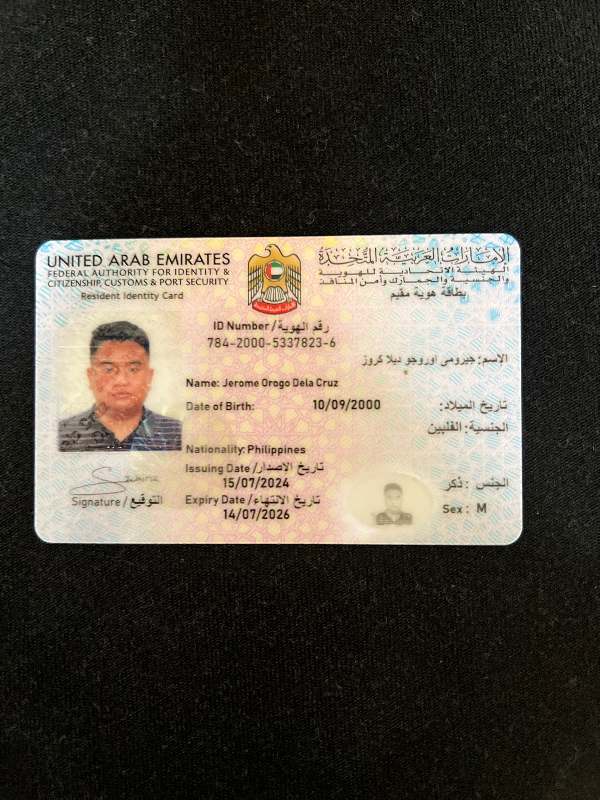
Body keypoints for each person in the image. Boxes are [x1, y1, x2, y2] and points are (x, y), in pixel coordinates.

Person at [59, 320, 181, 451]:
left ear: (149, 377)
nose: (121, 381)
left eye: (133, 369)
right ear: (91, 377)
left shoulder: (175, 434)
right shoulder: (63, 435)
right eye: (109, 370)